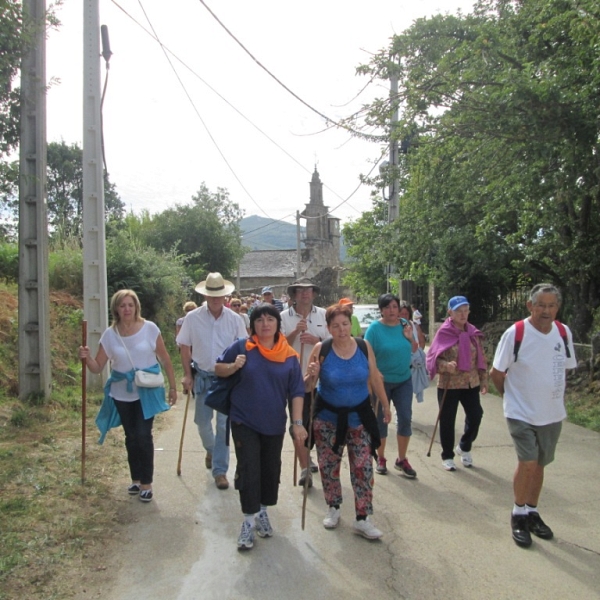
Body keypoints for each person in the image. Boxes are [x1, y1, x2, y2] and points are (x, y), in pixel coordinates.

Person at [490, 283, 576, 548]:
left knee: (540, 464)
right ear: (530, 305)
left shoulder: (563, 332)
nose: (546, 311)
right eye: (541, 305)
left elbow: (567, 368)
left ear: (557, 308)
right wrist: (511, 398)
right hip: (520, 412)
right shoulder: (516, 333)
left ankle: (532, 511)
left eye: (551, 306)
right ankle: (518, 514)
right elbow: (497, 373)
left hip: (551, 412)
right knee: (527, 462)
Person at [215, 303, 306, 550]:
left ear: (278, 325)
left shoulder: (288, 355)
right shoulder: (242, 347)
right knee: (248, 468)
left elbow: (296, 391)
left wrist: (297, 423)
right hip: (244, 420)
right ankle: (247, 520)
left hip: (274, 423)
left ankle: (263, 512)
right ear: (252, 325)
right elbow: (218, 368)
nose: (265, 324)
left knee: (270, 469)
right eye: (259, 320)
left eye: (270, 320)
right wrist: (234, 366)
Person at [79, 289, 178, 503]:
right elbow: (97, 367)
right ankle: (135, 478)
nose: (126, 309)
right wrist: (86, 358)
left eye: (130, 305)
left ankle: (147, 483)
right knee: (131, 437)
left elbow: (165, 359)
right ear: (116, 308)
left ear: (136, 307)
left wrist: (172, 386)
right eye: (122, 305)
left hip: (148, 391)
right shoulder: (110, 334)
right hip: (121, 394)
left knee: (143, 434)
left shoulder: (150, 329)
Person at [305, 304, 392, 539]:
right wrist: (312, 374)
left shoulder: (364, 346)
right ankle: (333, 507)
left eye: (345, 324)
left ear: (350, 324)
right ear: (329, 327)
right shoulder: (321, 349)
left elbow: (374, 376)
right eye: (336, 326)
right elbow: (308, 387)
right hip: (327, 419)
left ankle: (363, 518)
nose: (341, 330)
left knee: (363, 467)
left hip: (359, 417)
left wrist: (384, 403)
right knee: (329, 465)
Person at [176, 273, 247, 490]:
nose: (216, 299)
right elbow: (184, 346)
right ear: (205, 296)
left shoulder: (235, 320)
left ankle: (220, 471)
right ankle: (211, 449)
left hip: (226, 379)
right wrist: (187, 374)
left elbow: (244, 347)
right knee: (202, 422)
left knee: (223, 425)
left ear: (226, 296)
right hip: (203, 377)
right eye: (211, 295)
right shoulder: (192, 318)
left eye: (220, 295)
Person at [426, 296, 488, 471]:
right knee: (447, 420)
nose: (463, 314)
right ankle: (447, 455)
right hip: (450, 383)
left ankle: (464, 446)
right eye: (458, 311)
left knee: (476, 415)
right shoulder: (444, 332)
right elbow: (431, 358)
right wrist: (445, 366)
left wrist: (484, 379)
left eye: (465, 310)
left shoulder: (472, 332)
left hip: (471, 383)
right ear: (450, 313)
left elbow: (480, 357)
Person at [281, 277, 330, 487]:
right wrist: (295, 332)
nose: (305, 294)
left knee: (319, 424)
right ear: (294, 294)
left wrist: (316, 341)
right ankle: (304, 468)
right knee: (297, 424)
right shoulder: (283, 317)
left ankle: (322, 460)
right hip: (295, 381)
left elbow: (334, 342)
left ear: (314, 293)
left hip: (322, 380)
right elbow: (279, 345)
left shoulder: (325, 315)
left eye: (308, 290)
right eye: (300, 291)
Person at [364, 293, 419, 478]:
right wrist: (374, 372)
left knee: (405, 417)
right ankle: (381, 457)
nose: (392, 311)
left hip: (404, 379)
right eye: (387, 307)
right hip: (382, 382)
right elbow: (366, 354)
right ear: (381, 310)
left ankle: (402, 459)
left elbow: (414, 349)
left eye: (394, 307)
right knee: (381, 420)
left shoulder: (406, 325)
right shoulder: (374, 329)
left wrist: (410, 338)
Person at [398, 301, 428, 403]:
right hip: (400, 363)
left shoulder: (414, 325)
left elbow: (422, 340)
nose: (404, 316)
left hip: (412, 364)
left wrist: (418, 353)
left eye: (406, 314)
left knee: (409, 389)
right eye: (401, 313)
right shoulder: (395, 327)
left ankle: (404, 412)